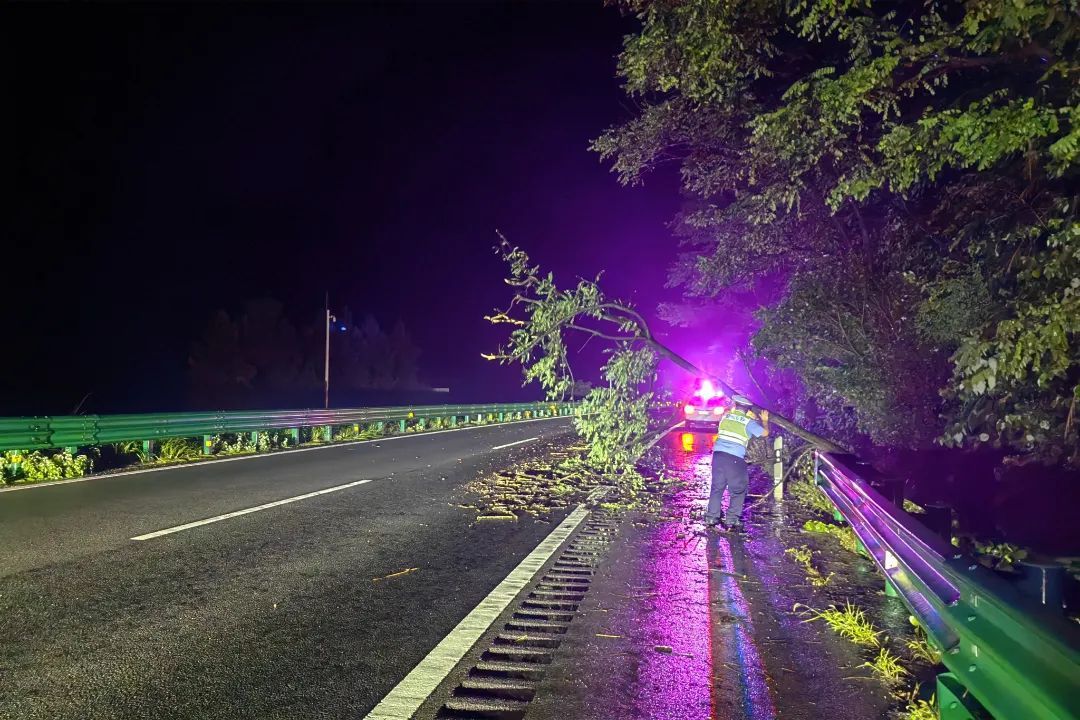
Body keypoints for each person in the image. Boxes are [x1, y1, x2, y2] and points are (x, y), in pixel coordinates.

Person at [706, 402, 769, 532]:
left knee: (717, 487)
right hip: (734, 458)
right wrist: (764, 421)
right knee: (738, 489)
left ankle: (711, 517)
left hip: (718, 456)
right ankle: (732, 519)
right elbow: (765, 433)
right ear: (748, 410)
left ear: (736, 405)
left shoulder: (725, 417)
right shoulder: (748, 422)